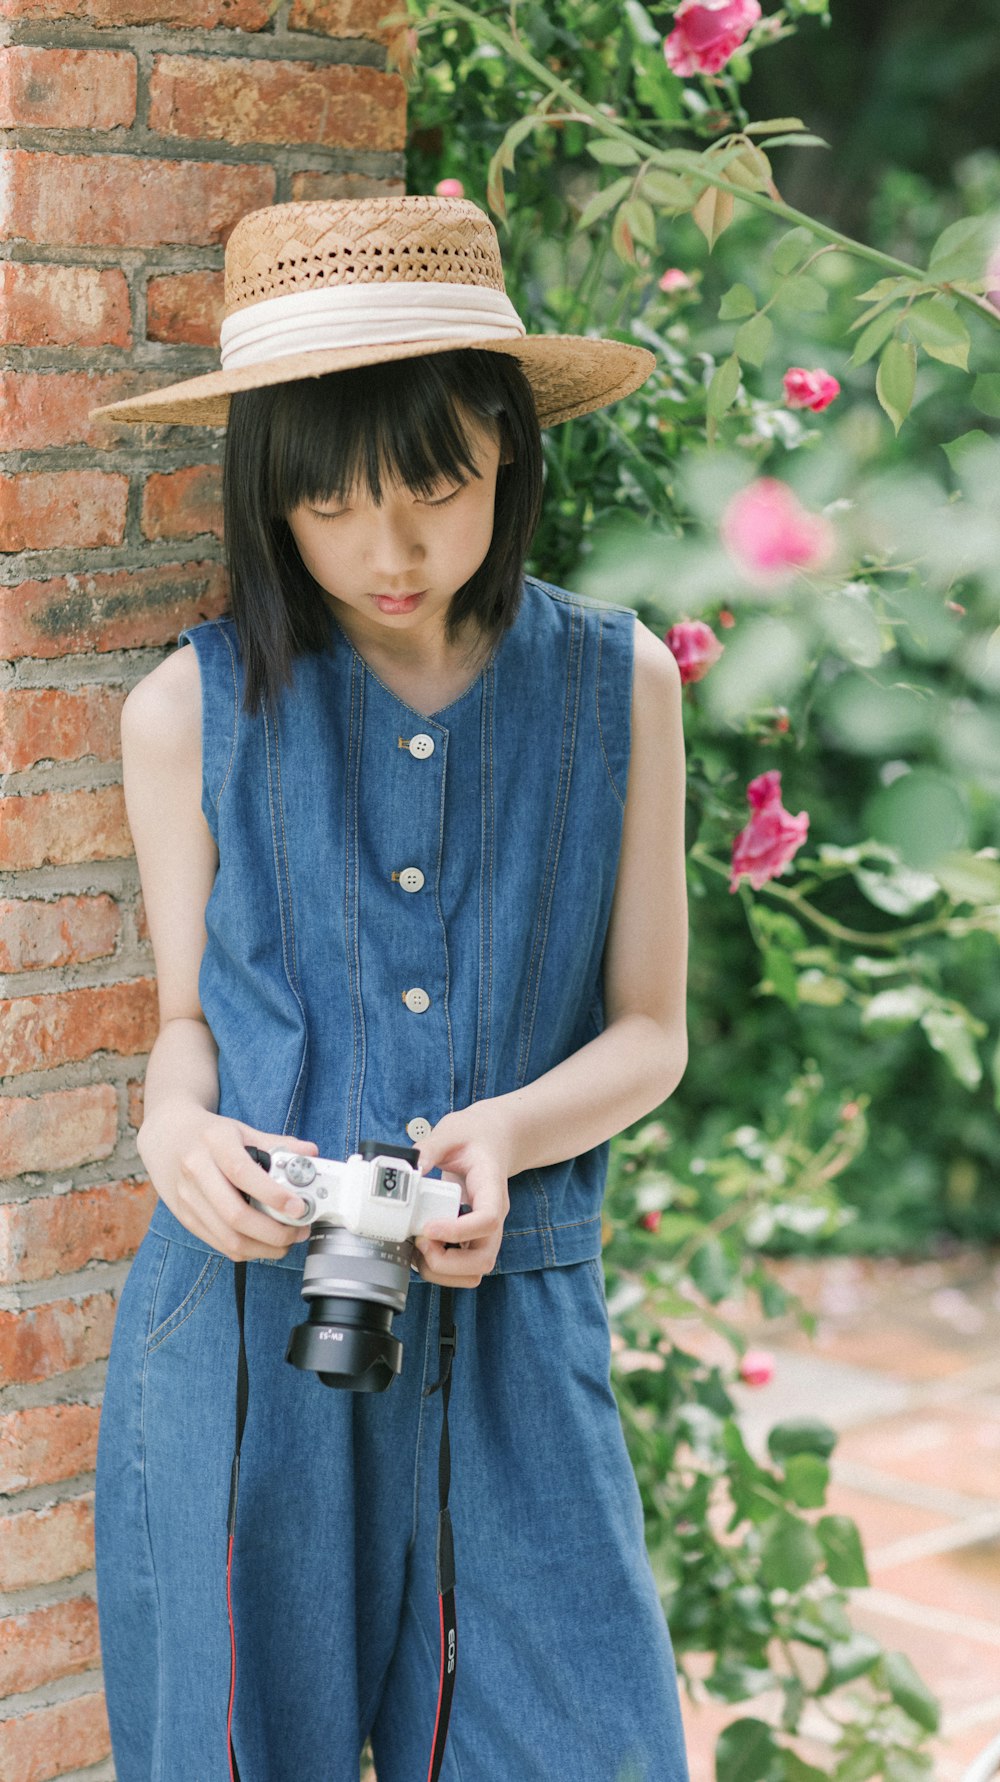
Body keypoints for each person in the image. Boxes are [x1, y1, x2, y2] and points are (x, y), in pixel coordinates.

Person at [92, 194, 690, 1782]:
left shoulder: (620, 684)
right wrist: (171, 1133)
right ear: (267, 499)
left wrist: (508, 1126)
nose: (392, 548)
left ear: (508, 444)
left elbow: (651, 1031)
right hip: (244, 1336)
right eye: (334, 506)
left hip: (517, 1335)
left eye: (435, 487)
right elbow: (186, 1031)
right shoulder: (184, 712)